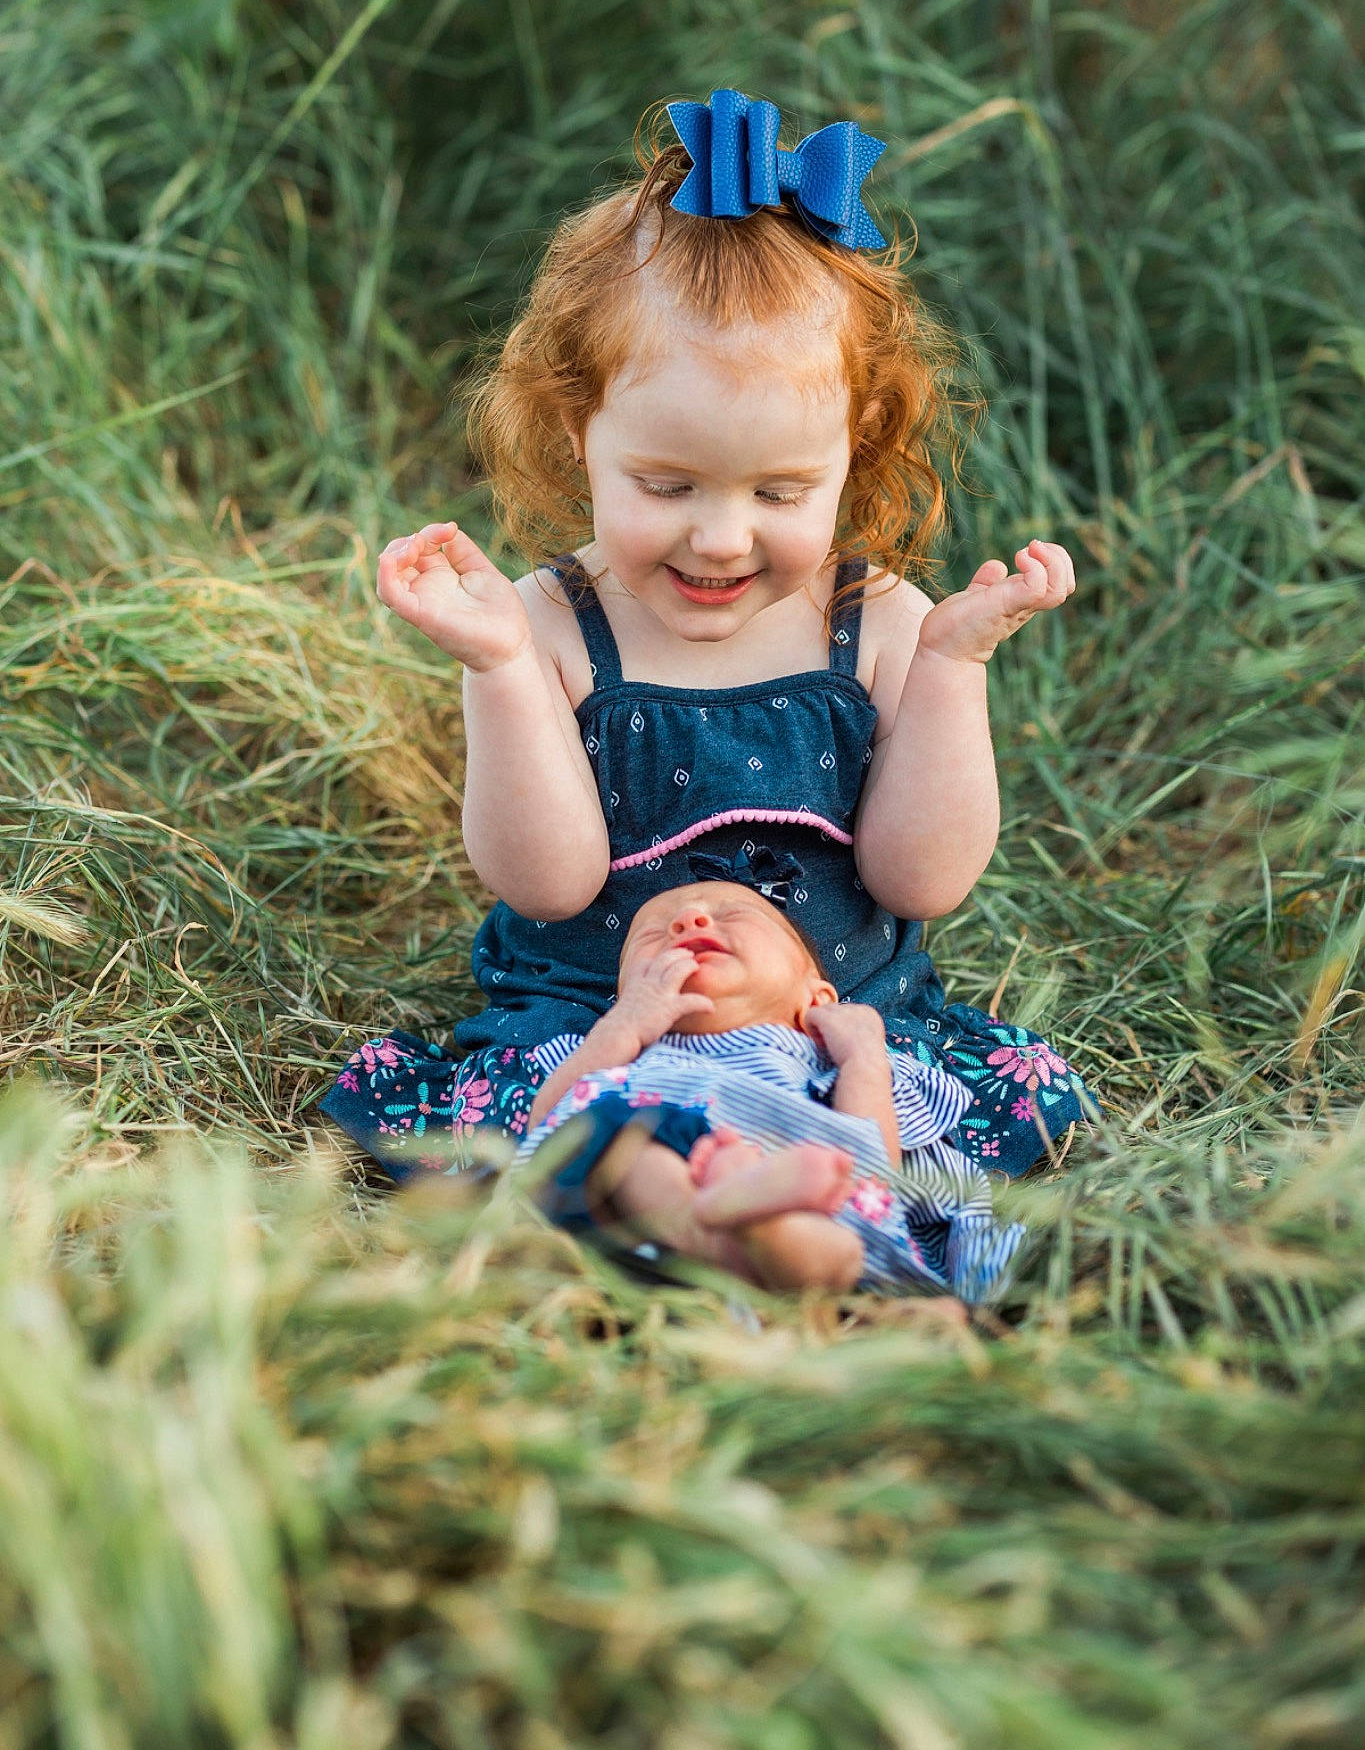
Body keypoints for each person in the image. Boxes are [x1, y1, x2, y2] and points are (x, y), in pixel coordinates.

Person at [320, 87, 1096, 1185]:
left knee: (881, 1154)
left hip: (836, 1028)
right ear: (576, 424)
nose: (722, 536)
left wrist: (953, 669)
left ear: (856, 447)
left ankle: (770, 1221)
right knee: (587, 1154)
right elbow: (548, 882)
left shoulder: (880, 625)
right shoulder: (548, 625)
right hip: (591, 1027)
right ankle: (711, 1212)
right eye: (666, 482)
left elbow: (919, 880)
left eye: (781, 489)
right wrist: (497, 666)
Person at [514, 877, 1025, 1300]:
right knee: (611, 1138)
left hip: (817, 1221)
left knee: (836, 1243)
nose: (688, 922)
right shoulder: (619, 1056)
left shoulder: (827, 1061)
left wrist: (864, 1056)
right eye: (651, 935)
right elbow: (548, 1123)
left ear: (817, 998)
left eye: (731, 914)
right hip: (640, 1244)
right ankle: (719, 1229)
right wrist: (623, 1027)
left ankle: (761, 1227)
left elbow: (873, 1160)